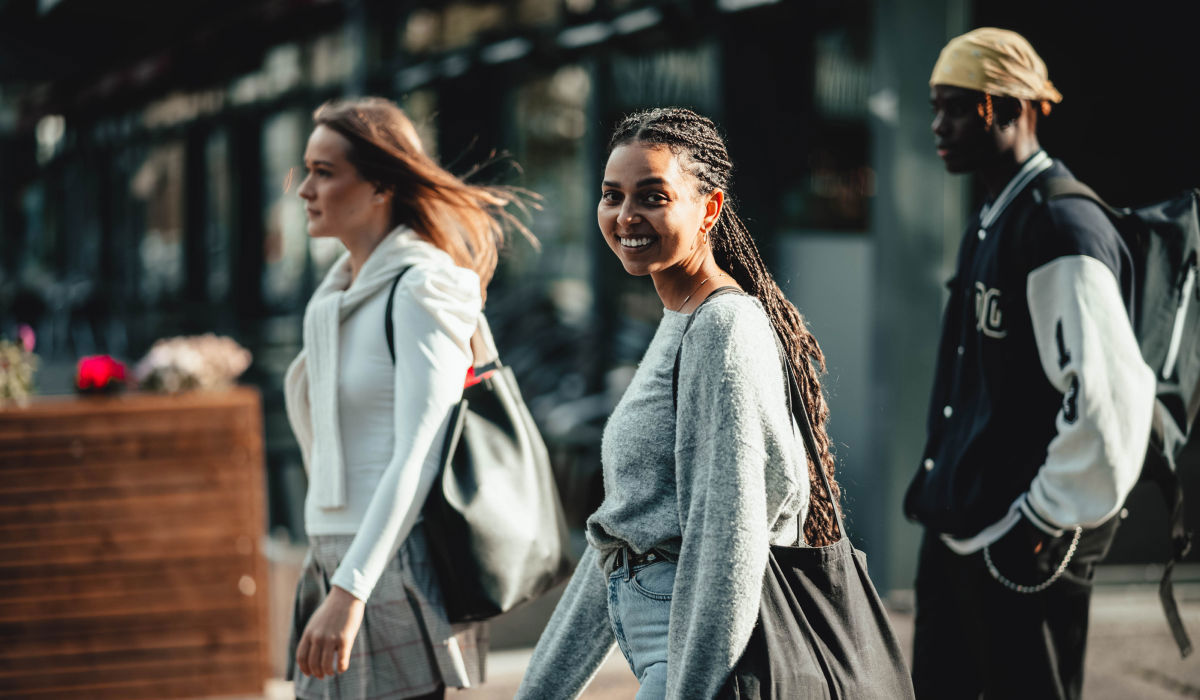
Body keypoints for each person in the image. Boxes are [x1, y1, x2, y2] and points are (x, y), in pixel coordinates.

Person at [516, 107, 842, 699]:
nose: (625, 216)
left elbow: (729, 540)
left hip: (691, 665)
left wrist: (689, 690)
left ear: (709, 209)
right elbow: (620, 533)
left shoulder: (723, 329)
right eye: (612, 196)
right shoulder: (683, 319)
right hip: (669, 659)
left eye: (653, 196)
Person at [906, 28, 1156, 699]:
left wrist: (1038, 524)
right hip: (960, 533)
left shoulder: (1060, 227)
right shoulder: (994, 214)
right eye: (935, 106)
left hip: (1018, 546)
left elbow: (1109, 402)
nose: (938, 124)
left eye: (957, 106)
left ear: (1013, 107)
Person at [282, 97, 530, 700]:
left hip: (384, 569)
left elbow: (419, 452)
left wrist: (351, 590)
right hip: (332, 560)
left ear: (381, 185)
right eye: (306, 169)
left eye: (325, 171)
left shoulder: (423, 287)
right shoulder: (334, 295)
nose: (304, 190)